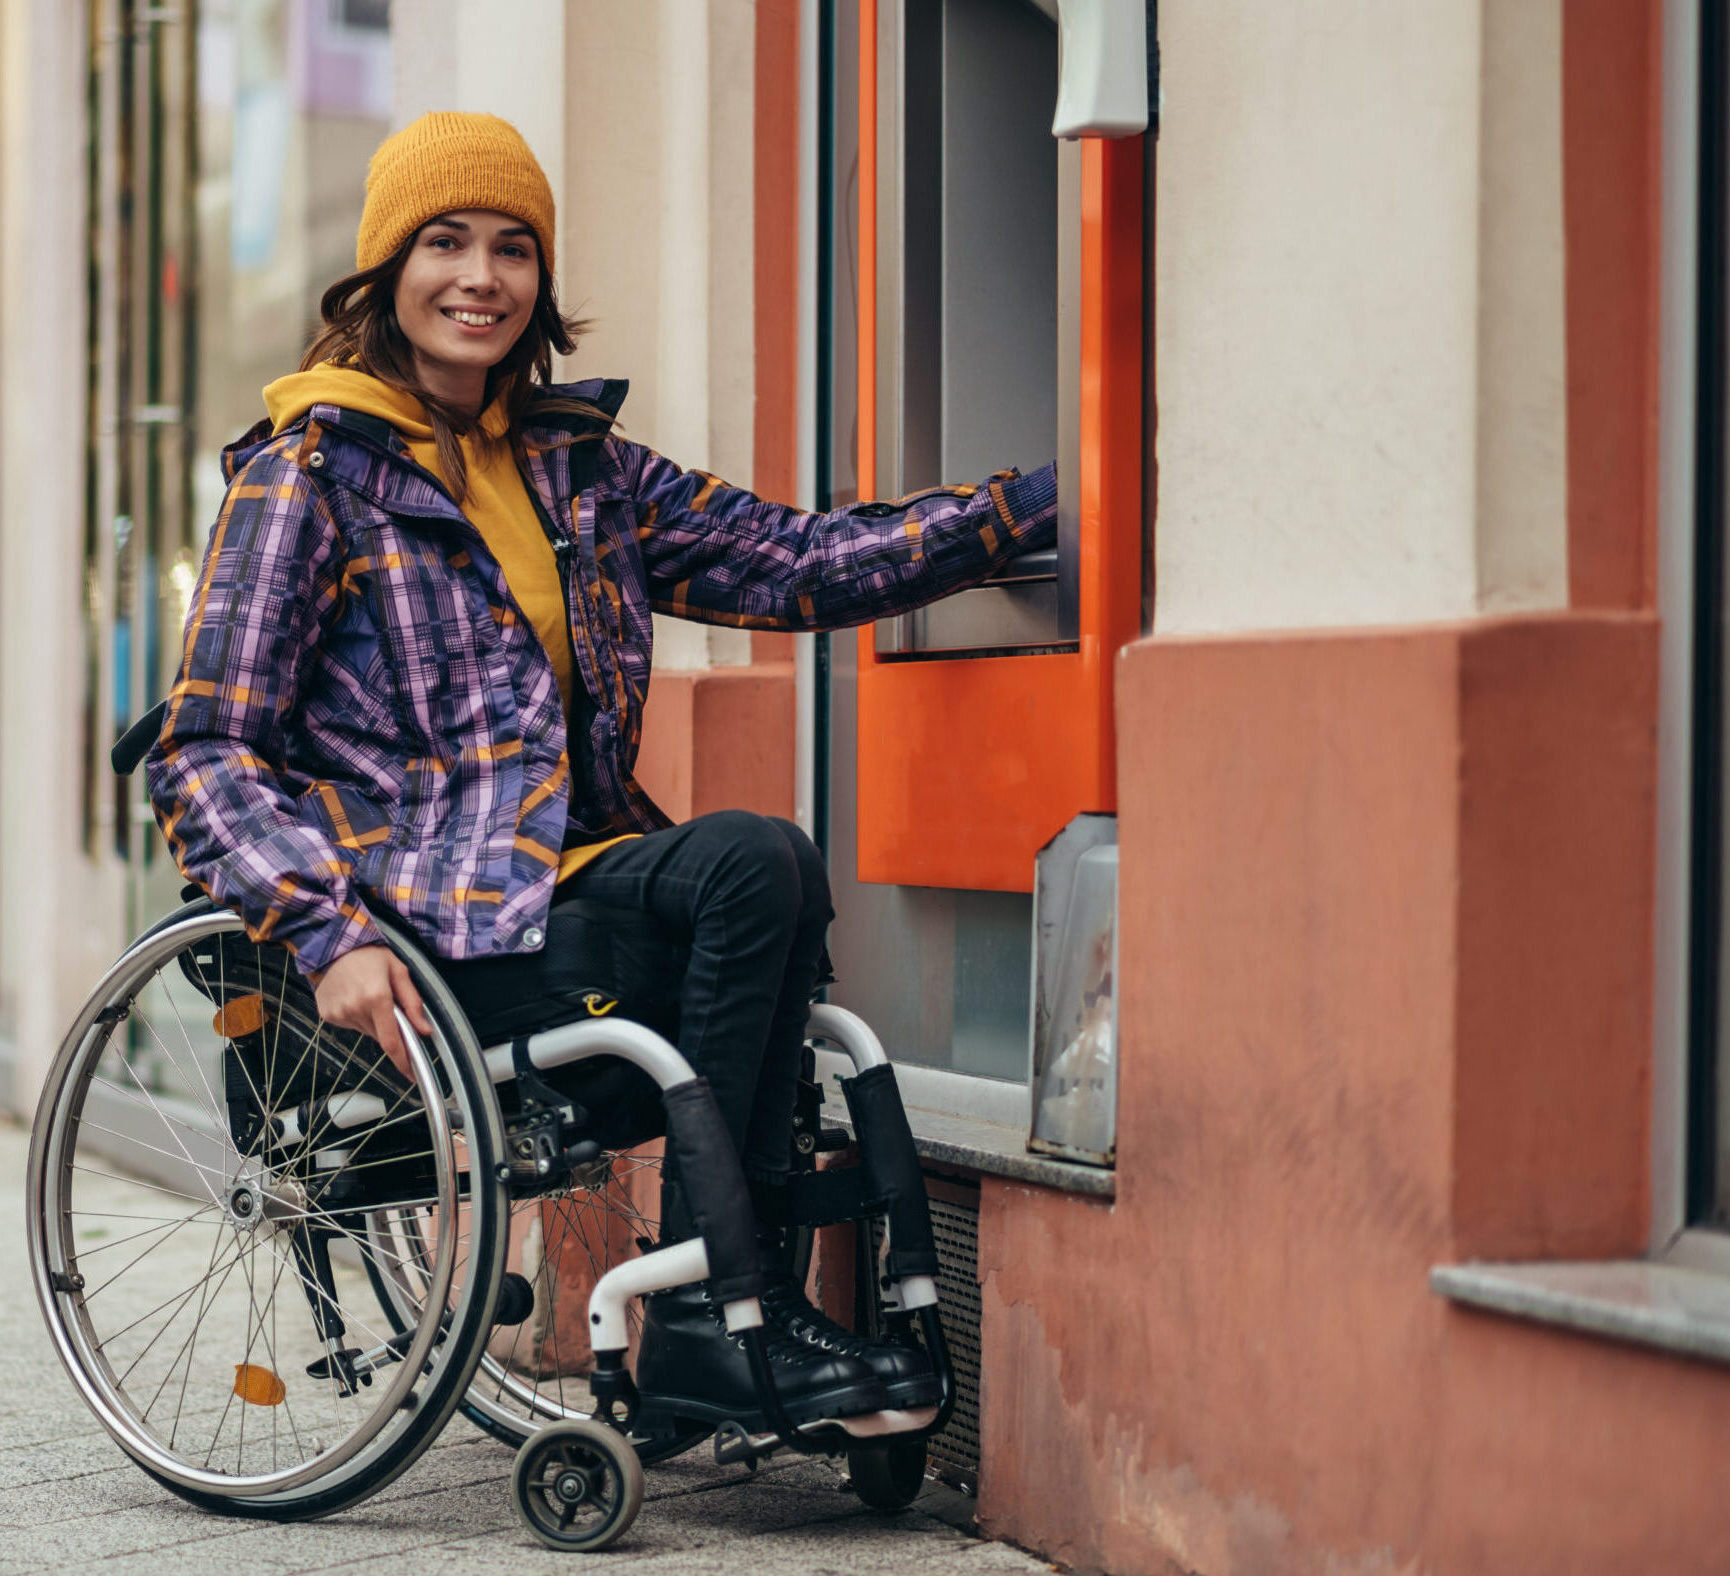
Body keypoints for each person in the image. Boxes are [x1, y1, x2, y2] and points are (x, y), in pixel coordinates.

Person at [146, 111, 1057, 1433]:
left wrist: (1038, 509)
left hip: (565, 899)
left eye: (513, 248)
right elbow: (205, 749)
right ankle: (720, 1322)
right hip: (418, 939)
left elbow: (796, 562)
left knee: (753, 868)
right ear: (383, 273)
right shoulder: (308, 479)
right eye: (444, 242)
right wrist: (326, 930)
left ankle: (713, 1318)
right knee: (751, 869)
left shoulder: (578, 469)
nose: (481, 277)